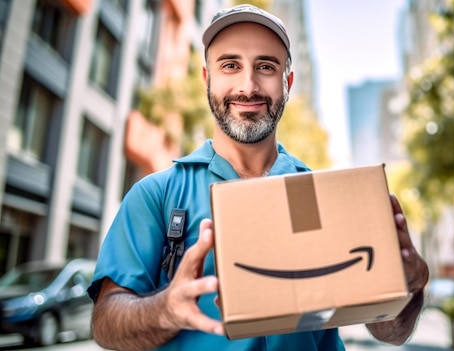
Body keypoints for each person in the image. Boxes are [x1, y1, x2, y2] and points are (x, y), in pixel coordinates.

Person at [87, 4, 429, 351]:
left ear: (288, 82)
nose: (248, 86)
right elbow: (106, 324)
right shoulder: (157, 195)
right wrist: (166, 310)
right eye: (230, 65)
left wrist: (412, 287)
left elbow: (390, 332)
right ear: (208, 78)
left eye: (265, 66)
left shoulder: (325, 197)